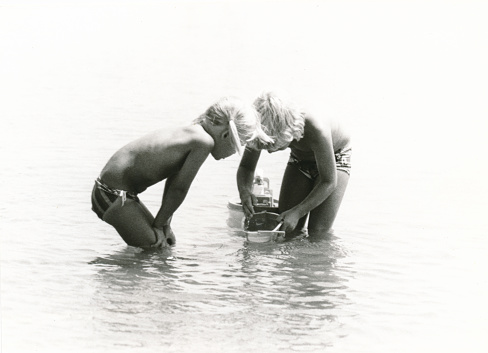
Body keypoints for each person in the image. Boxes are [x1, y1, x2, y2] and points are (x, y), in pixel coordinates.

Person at [91, 96, 272, 249]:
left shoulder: (194, 131)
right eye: (236, 147)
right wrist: (159, 225)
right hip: (112, 194)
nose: (232, 154)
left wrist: (164, 224)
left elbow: (173, 182)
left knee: (166, 243)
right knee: (156, 247)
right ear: (226, 135)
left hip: (113, 192)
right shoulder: (204, 142)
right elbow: (179, 188)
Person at [237, 91, 352, 237]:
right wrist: (245, 191)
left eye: (273, 146)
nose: (270, 152)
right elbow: (246, 166)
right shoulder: (260, 129)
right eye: (264, 146)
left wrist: (298, 211)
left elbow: (328, 181)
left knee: (318, 232)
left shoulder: (316, 128)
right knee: (286, 226)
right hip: (300, 159)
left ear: (287, 132)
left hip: (336, 157)